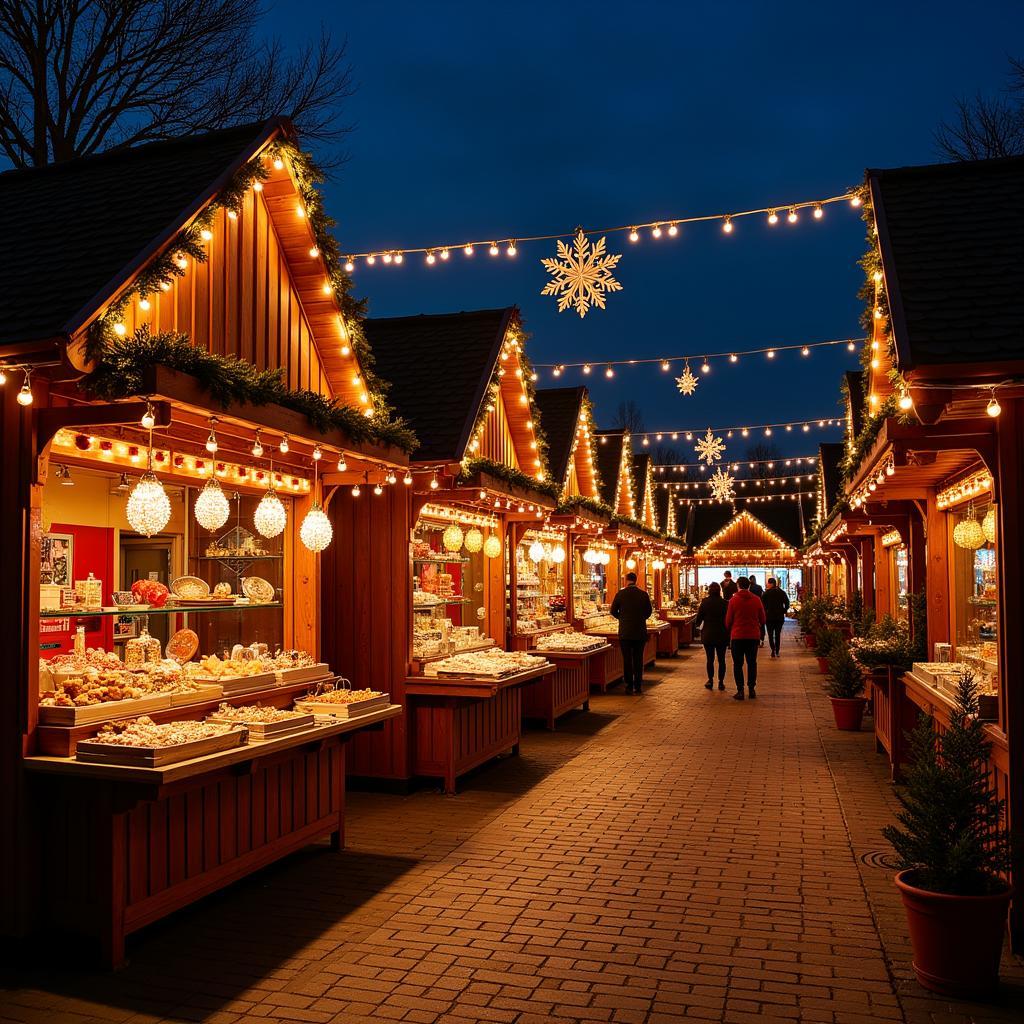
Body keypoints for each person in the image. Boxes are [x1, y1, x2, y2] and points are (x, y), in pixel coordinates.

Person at [610, 571, 653, 694]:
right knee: (638, 659)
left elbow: (613, 611)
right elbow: (649, 611)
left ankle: (629, 685)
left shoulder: (620, 594)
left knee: (627, 659)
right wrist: (640, 619)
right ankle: (638, 685)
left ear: (626, 580)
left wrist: (622, 618)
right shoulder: (643, 594)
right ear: (636, 580)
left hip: (625, 632)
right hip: (640, 632)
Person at [725, 576, 766, 700]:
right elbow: (763, 619)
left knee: (738, 664)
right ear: (749, 586)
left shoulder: (733, 600)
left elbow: (728, 621)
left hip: (737, 636)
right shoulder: (757, 599)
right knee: (752, 663)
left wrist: (731, 627)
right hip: (753, 636)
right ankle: (752, 689)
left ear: (738, 585)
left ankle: (740, 690)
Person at [694, 581, 729, 690]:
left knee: (710, 659)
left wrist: (697, 625)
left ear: (709, 590)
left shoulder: (705, 602)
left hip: (708, 634)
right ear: (719, 591)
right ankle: (721, 682)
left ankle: (710, 680)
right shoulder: (725, 603)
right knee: (722, 659)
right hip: (722, 634)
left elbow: (699, 618)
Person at [762, 577, 790, 658]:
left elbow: (762, 604)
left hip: (769, 617)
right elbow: (787, 603)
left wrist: (765, 611)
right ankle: (777, 651)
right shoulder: (781, 592)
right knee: (777, 634)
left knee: (770, 635)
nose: (767, 584)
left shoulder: (766, 593)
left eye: (768, 583)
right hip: (779, 617)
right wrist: (784, 611)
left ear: (771, 584)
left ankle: (773, 649)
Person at [747, 575, 765, 645]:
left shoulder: (749, 588)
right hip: (758, 605)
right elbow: (761, 596)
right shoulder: (759, 587)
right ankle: (761, 638)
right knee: (760, 623)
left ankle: (755, 639)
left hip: (750, 607)